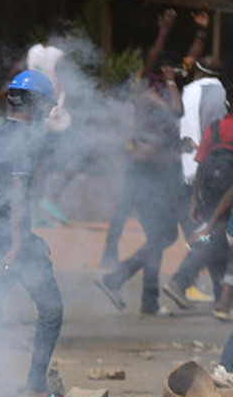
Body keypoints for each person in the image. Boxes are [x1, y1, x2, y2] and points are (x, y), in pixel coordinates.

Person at [0, 70, 66, 397]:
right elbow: (17, 195)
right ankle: (35, 387)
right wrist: (15, 245)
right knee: (51, 309)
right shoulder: (27, 142)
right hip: (12, 239)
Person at [97, 52, 184, 316]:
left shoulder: (157, 93)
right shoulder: (149, 95)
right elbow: (177, 111)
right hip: (147, 174)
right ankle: (118, 280)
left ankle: (148, 301)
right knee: (163, 236)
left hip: (158, 173)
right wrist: (170, 83)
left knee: (158, 237)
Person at [164, 55, 228, 310]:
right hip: (214, 177)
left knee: (215, 234)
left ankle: (222, 297)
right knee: (212, 232)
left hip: (188, 172)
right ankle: (181, 281)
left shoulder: (186, 92)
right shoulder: (219, 94)